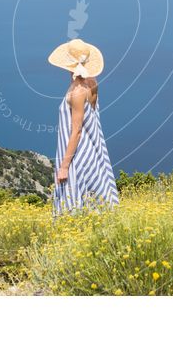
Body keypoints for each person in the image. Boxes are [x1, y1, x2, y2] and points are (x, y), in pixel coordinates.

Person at [47, 38, 119, 218]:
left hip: (77, 154)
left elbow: (76, 131)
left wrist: (64, 166)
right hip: (92, 150)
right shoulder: (92, 83)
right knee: (95, 197)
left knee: (73, 199)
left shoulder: (77, 92)